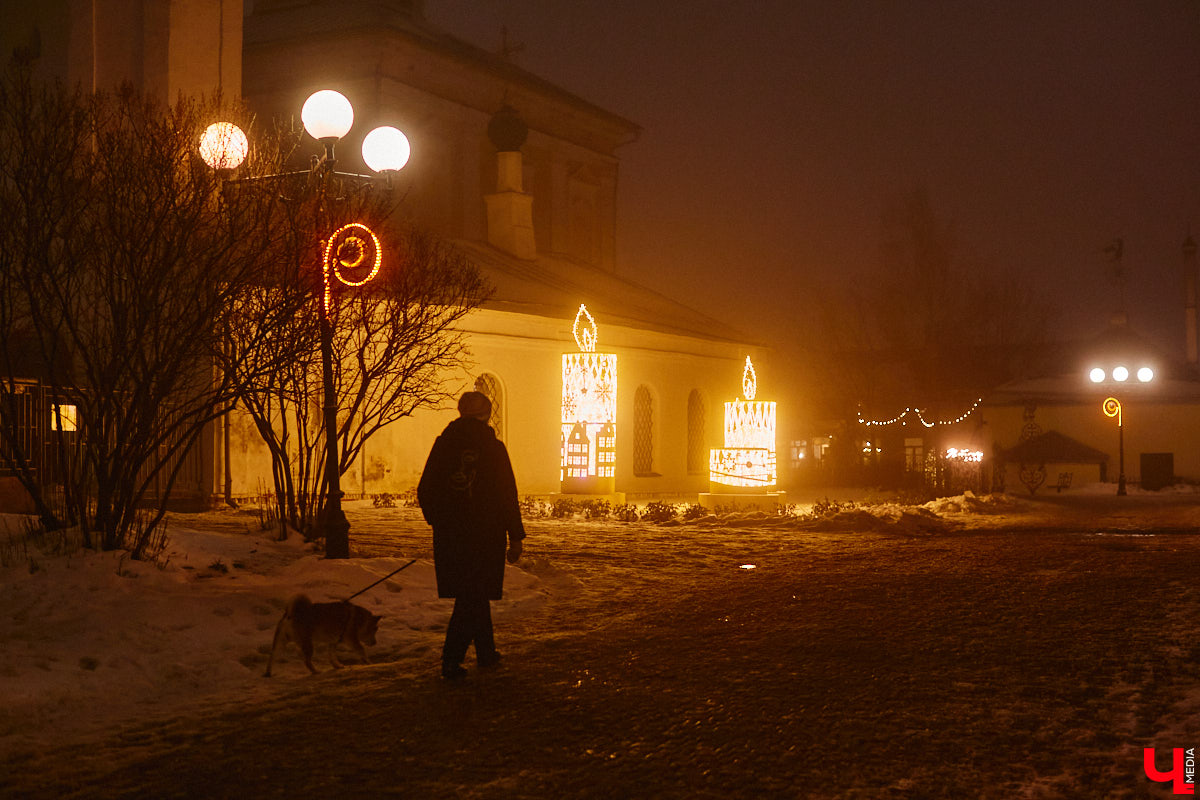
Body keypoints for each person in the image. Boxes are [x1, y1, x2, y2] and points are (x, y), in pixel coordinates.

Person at [417, 391, 525, 680]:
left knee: (472, 594)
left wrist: (441, 522)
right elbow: (507, 496)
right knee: (472, 597)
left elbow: (425, 491)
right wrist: (516, 537)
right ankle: (450, 661)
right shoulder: (494, 448)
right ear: (487, 415)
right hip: (486, 536)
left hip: (451, 537)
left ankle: (487, 653)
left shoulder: (443, 445)